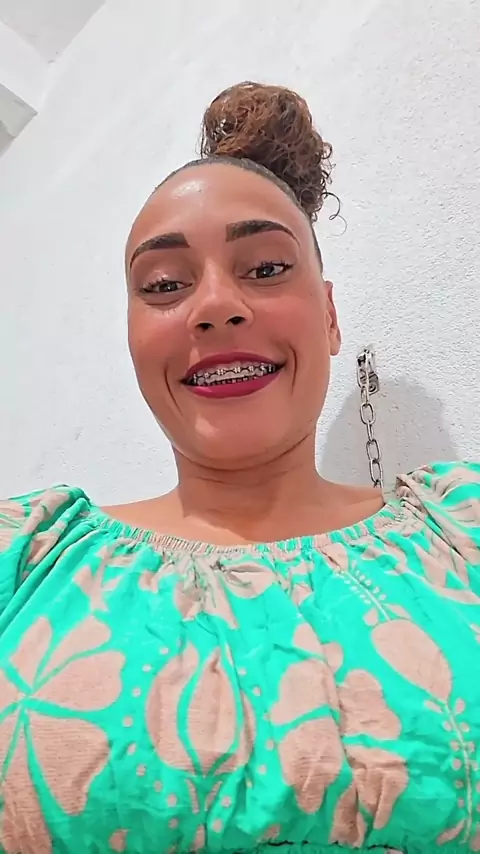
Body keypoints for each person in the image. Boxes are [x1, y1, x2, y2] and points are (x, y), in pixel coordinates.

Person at [0, 81, 479, 854]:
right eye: (165, 286)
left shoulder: (465, 531)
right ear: (133, 338)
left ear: (330, 318)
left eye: (265, 269)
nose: (215, 306)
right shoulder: (24, 558)